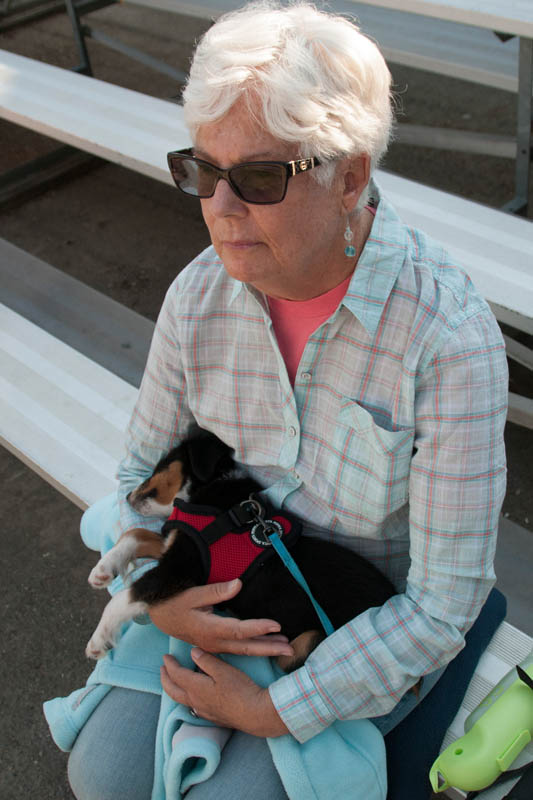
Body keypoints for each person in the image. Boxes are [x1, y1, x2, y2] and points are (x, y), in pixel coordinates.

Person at [62, 2, 508, 798]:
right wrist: (164, 600)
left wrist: (281, 709)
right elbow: (144, 470)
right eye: (203, 169)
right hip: (218, 579)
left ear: (351, 176)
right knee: (103, 773)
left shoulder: (446, 340)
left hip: (347, 627)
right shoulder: (201, 294)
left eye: (260, 177)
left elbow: (444, 603)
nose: (220, 210)